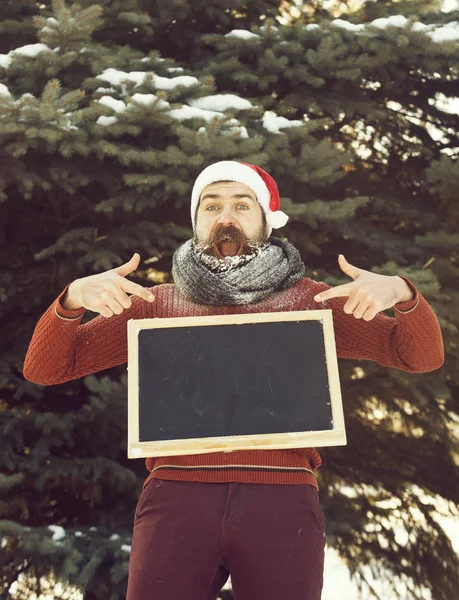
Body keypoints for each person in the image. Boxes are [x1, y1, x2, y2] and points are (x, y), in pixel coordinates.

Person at [23, 161, 444, 600]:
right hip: (175, 502)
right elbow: (45, 369)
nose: (225, 217)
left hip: (282, 505)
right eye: (211, 206)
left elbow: (420, 357)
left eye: (242, 205)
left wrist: (402, 293)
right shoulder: (154, 303)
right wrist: (71, 300)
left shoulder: (312, 300)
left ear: (266, 220)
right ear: (196, 222)